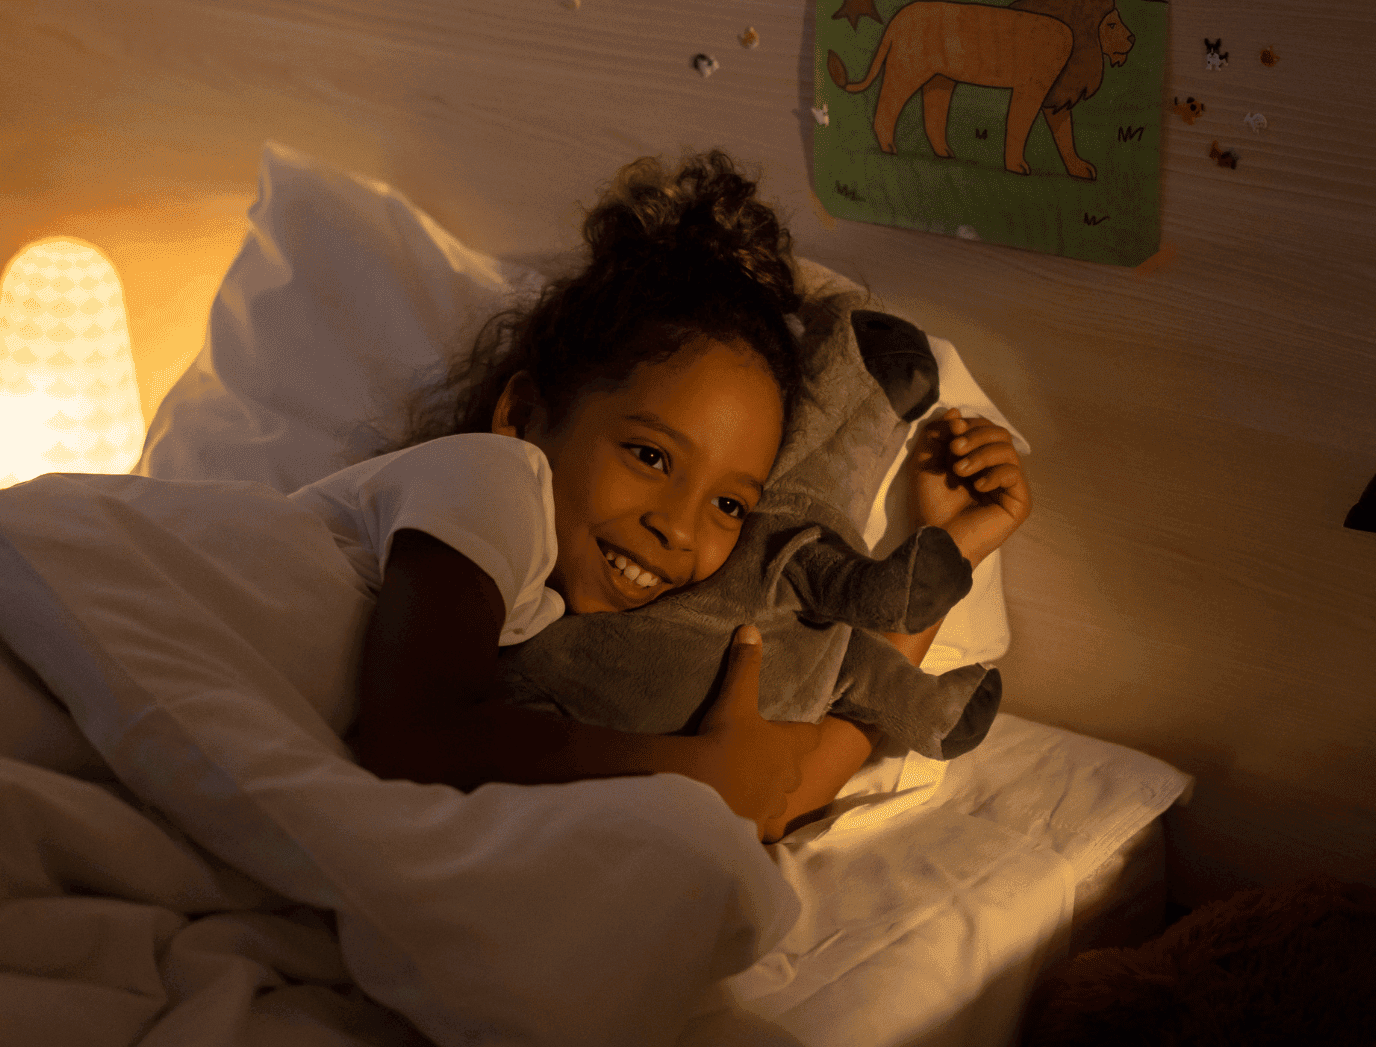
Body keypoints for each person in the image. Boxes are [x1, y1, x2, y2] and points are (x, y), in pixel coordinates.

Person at [297, 150, 1031, 841]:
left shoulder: (582, 635)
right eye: (650, 456)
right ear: (523, 417)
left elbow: (773, 790)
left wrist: (946, 550)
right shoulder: (487, 485)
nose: (678, 529)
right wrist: (690, 771)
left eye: (730, 505)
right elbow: (417, 737)